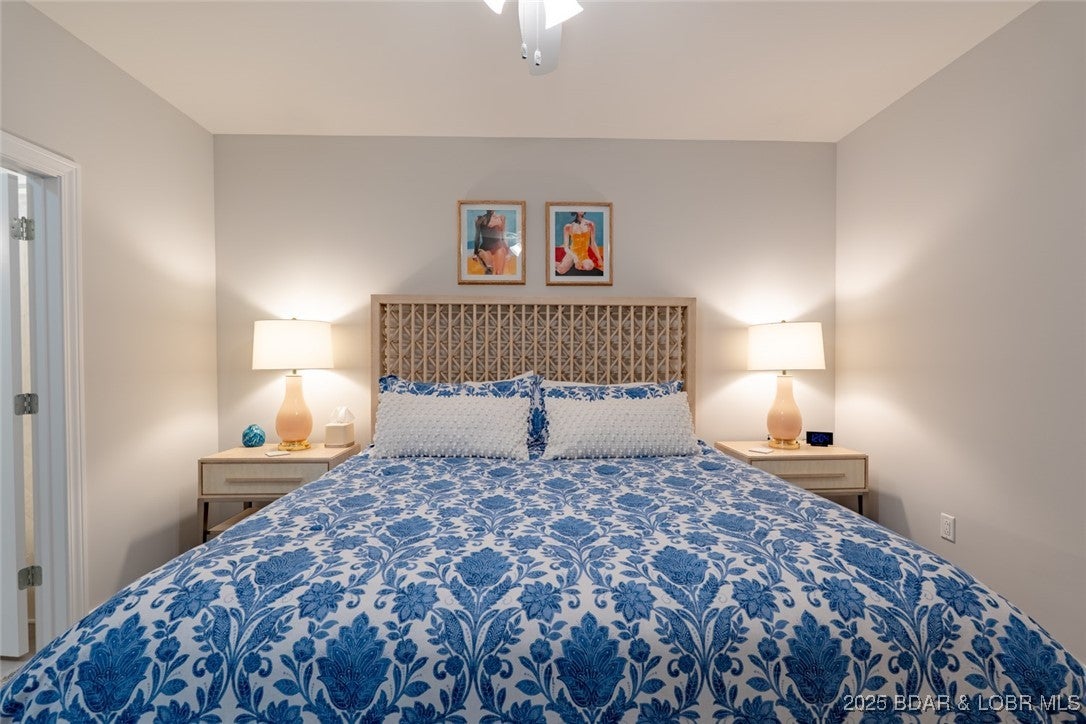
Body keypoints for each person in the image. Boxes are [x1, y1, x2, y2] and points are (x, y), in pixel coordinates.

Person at [473, 210, 510, 275]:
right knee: (489, 270)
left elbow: (503, 236)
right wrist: (475, 253)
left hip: (498, 247)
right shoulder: (479, 219)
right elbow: (477, 237)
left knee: (499, 273)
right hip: (485, 248)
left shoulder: (501, 218)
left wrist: (507, 252)